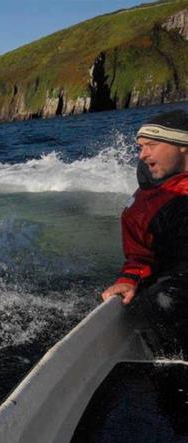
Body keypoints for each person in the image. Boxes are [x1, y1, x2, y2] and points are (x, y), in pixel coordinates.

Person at [102, 109, 188, 356]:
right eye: (140, 147)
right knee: (162, 301)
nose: (142, 154)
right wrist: (129, 279)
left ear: (182, 144)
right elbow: (139, 256)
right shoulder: (149, 201)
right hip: (174, 289)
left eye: (151, 145)